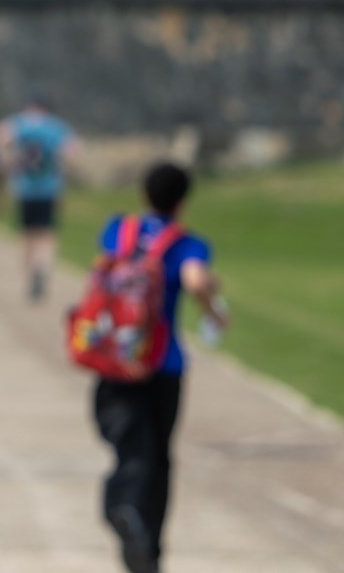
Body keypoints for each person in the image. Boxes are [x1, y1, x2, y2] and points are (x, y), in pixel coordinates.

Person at [93, 162, 227, 573]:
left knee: (129, 447)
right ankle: (147, 545)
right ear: (182, 201)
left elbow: (105, 273)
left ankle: (122, 506)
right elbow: (194, 280)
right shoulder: (187, 245)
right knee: (158, 458)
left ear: (143, 194)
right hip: (164, 364)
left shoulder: (119, 230)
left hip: (117, 358)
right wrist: (213, 306)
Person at [0, 95, 81, 301]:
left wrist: (9, 161)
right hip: (49, 189)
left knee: (26, 235)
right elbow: (73, 151)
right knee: (46, 235)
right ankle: (42, 270)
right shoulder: (55, 127)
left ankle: (29, 275)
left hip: (24, 188)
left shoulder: (18, 123)